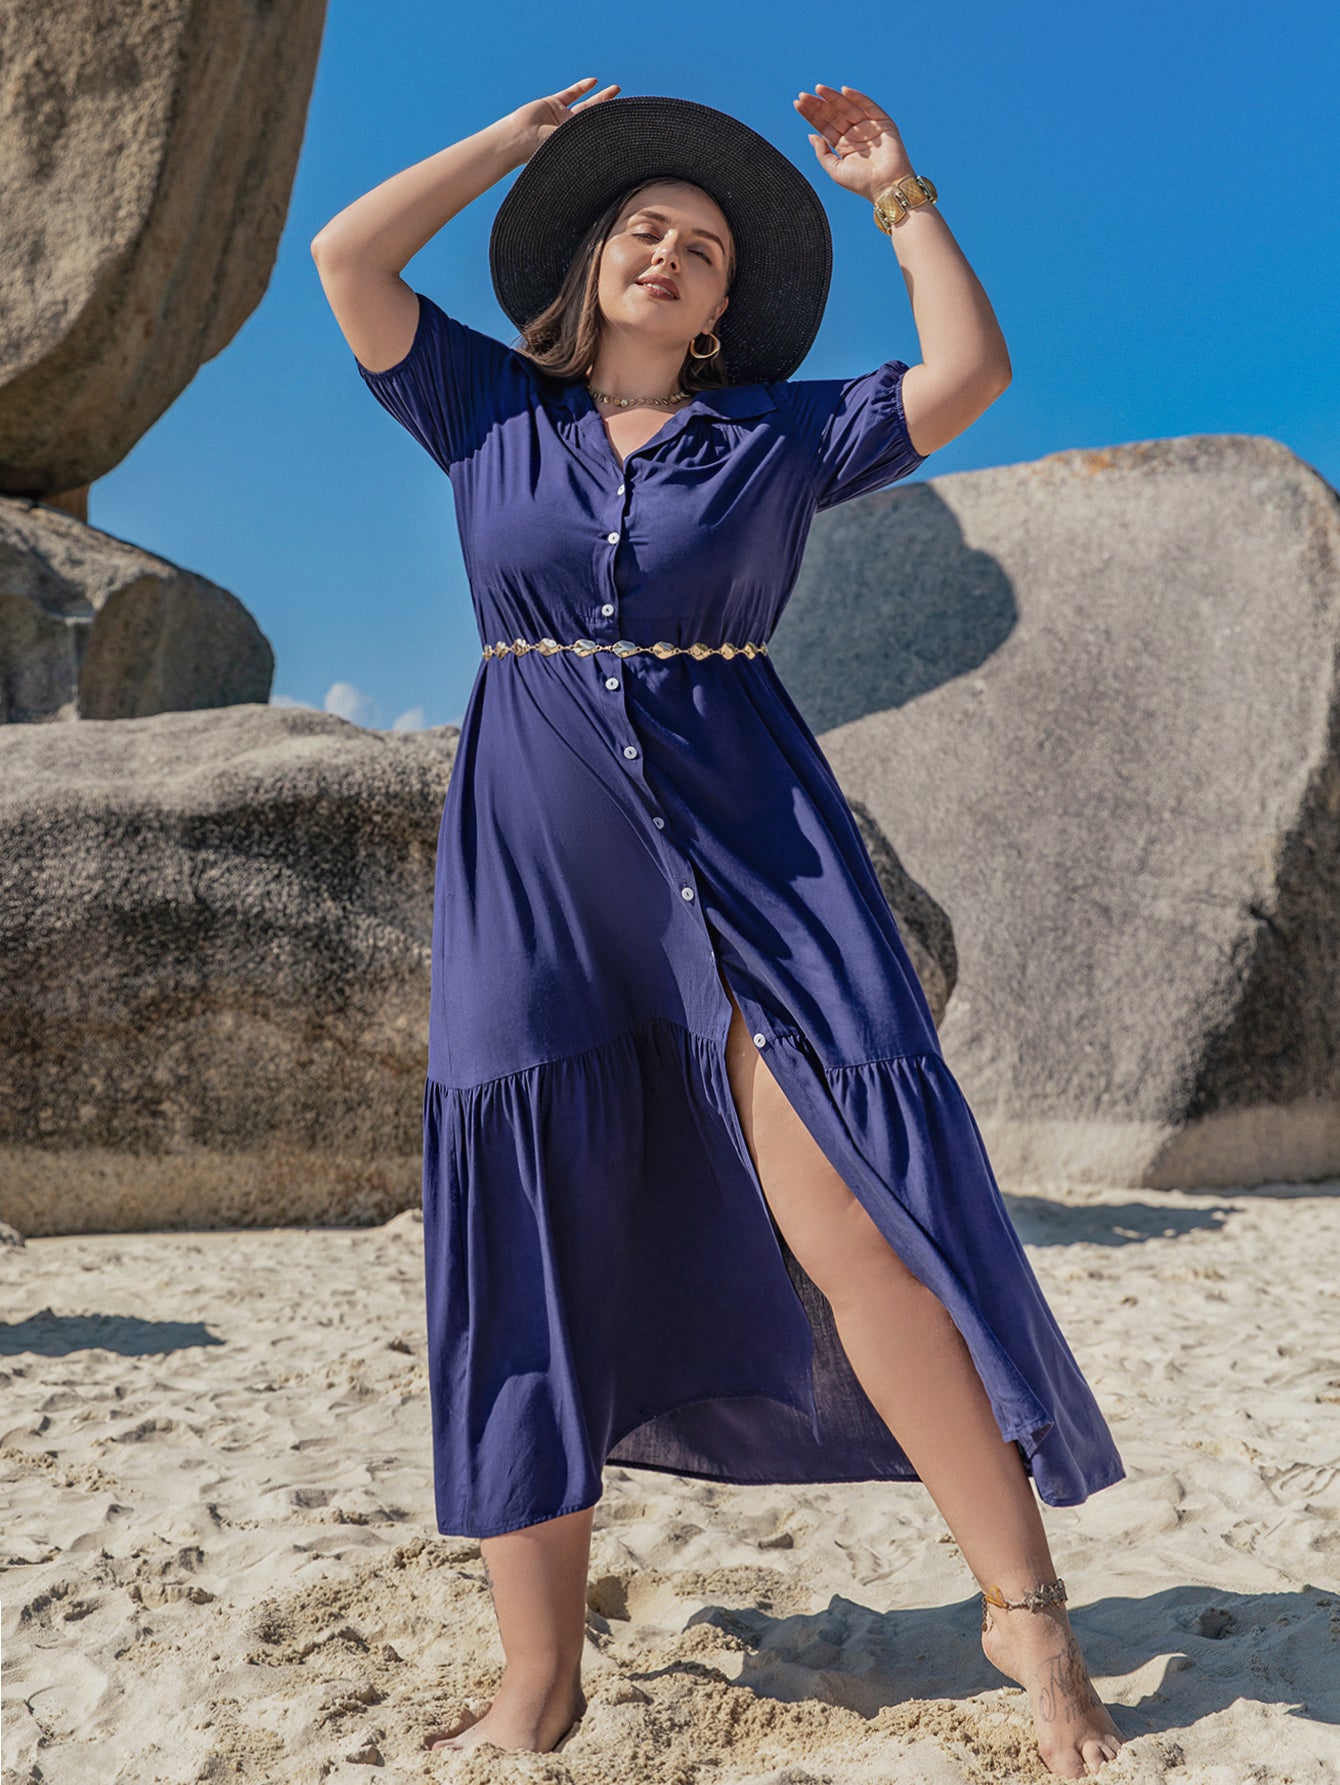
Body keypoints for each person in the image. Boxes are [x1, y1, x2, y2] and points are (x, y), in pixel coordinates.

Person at [312, 78, 1128, 1779]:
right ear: (595, 262)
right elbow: (345, 252)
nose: (671, 255)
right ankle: (536, 1682)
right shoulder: (479, 407)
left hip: (750, 856)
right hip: (539, 880)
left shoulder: (773, 435)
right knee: (523, 1245)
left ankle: (1026, 1616)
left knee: (859, 1221)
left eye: (702, 246)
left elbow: (967, 374)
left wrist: (903, 191)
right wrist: (511, 152)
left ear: (726, 296)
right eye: (643, 230)